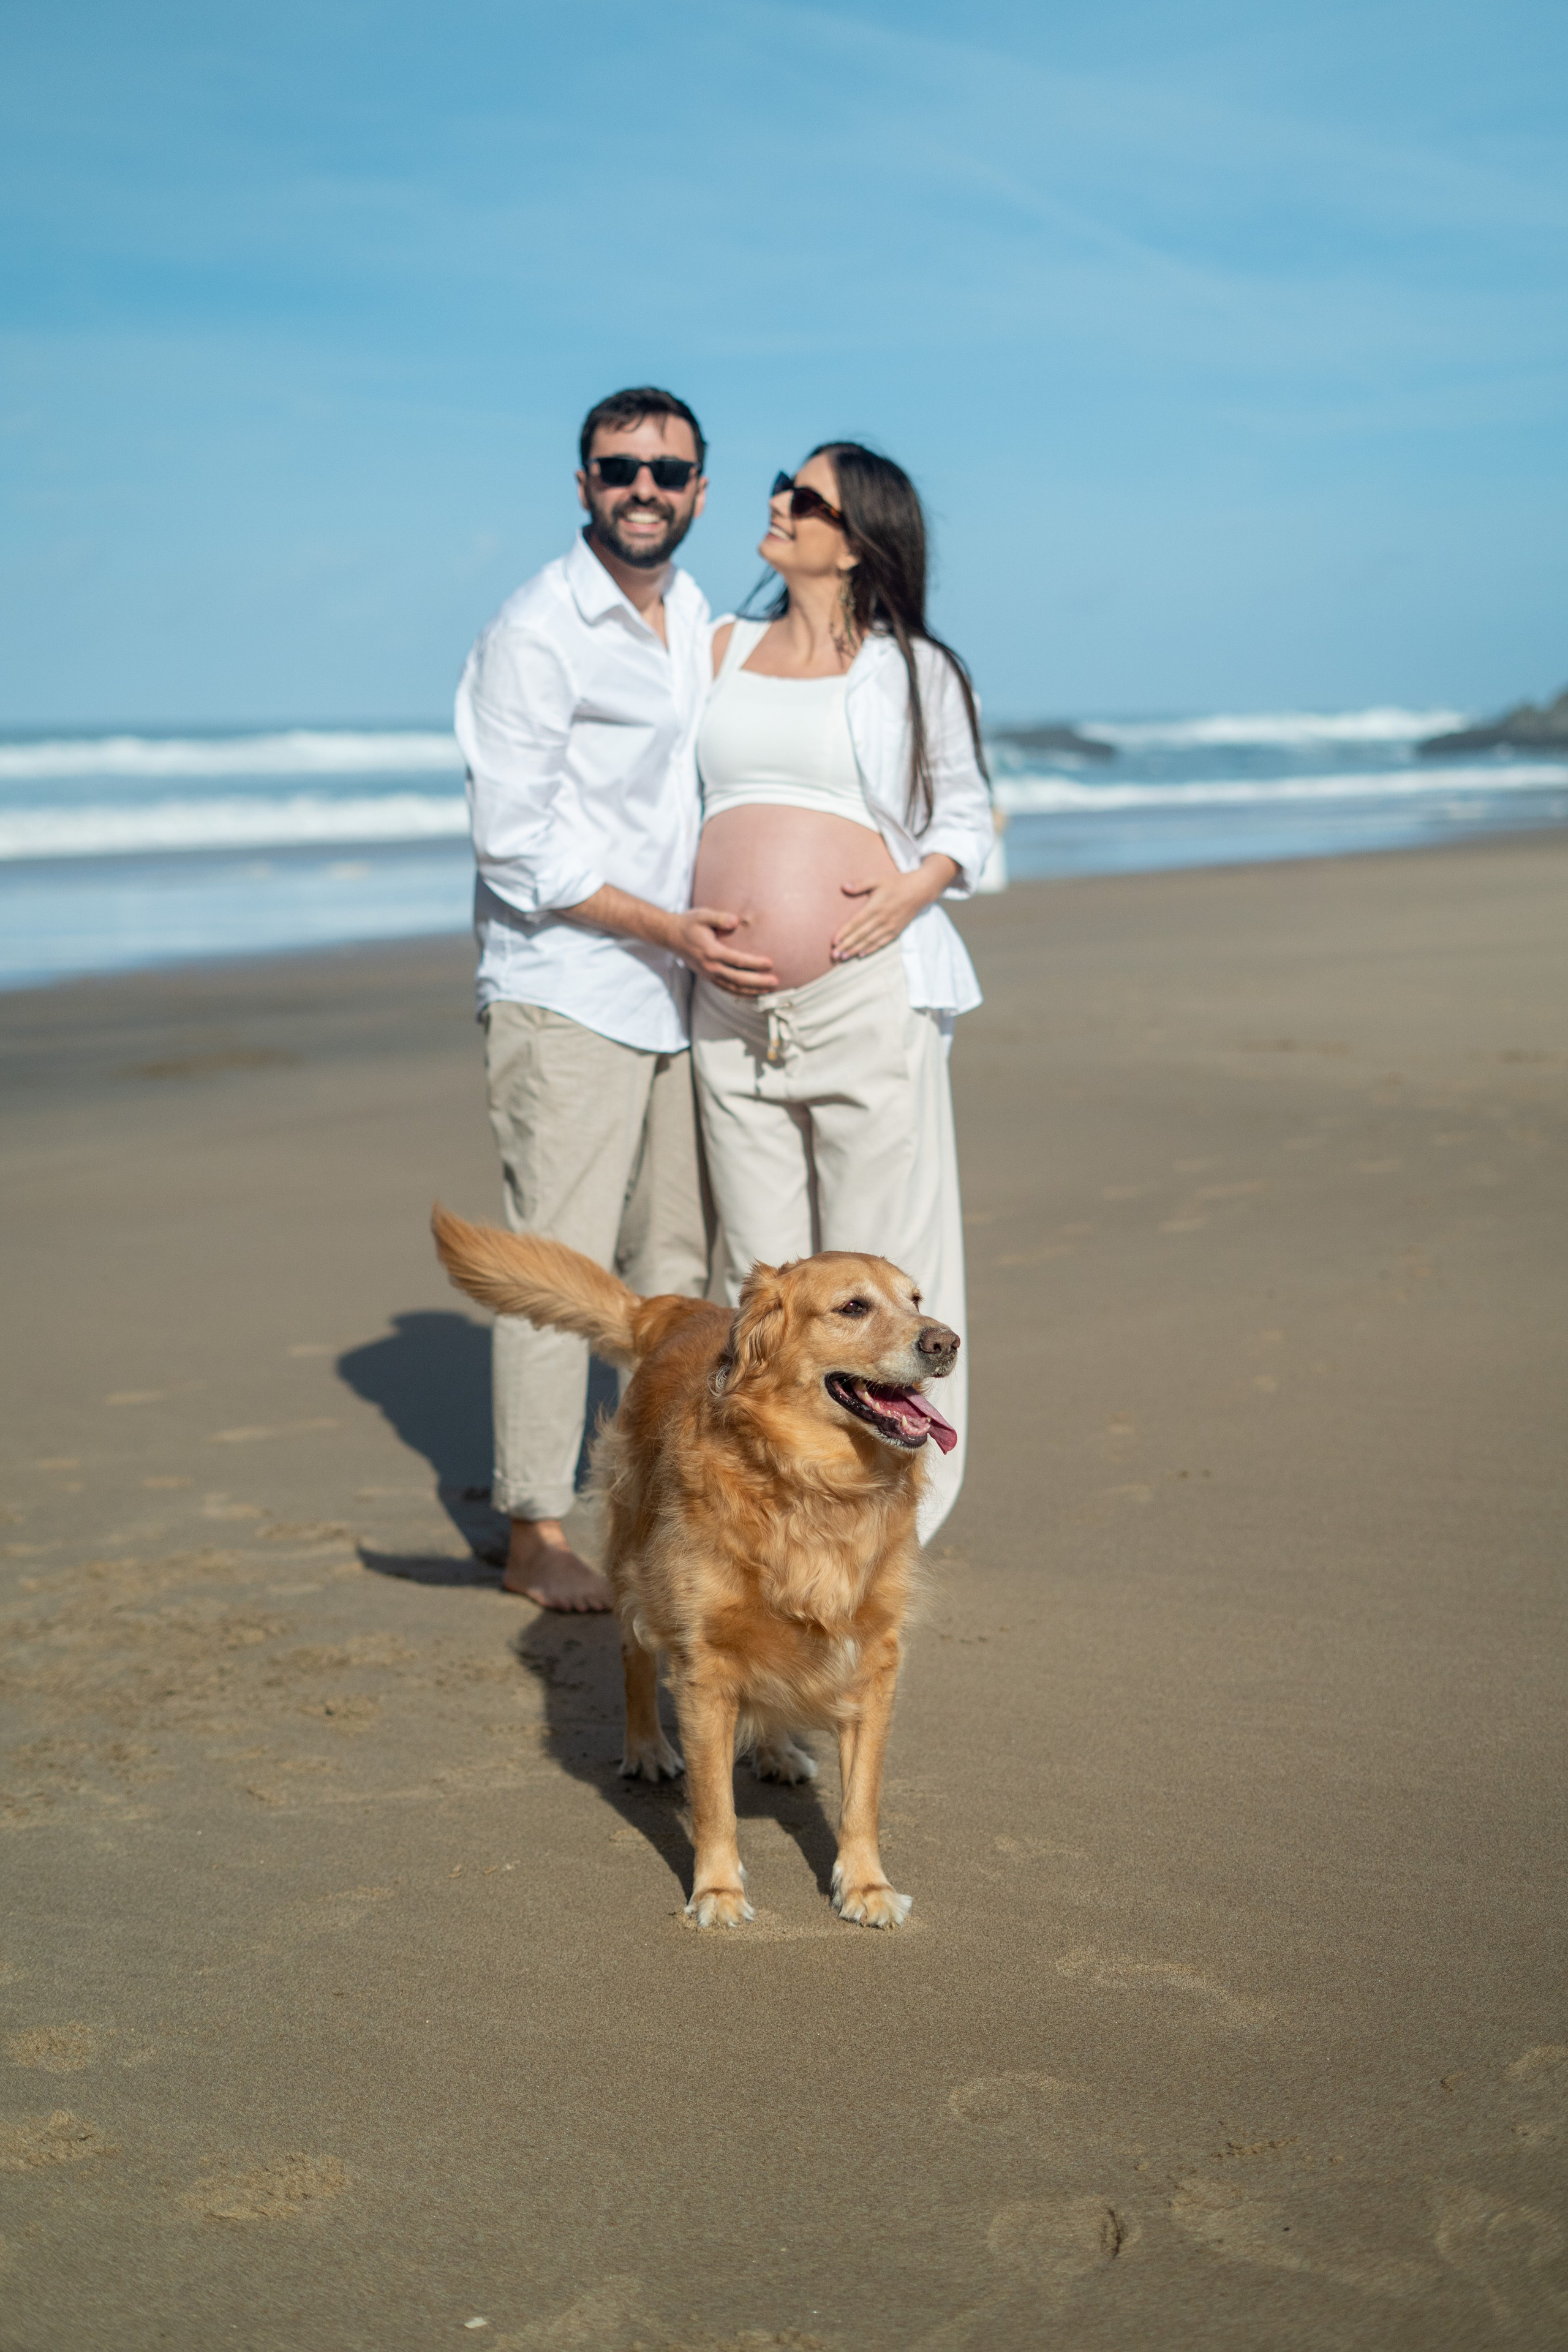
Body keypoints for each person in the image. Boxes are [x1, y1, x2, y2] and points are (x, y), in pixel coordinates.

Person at [456, 388, 778, 1610]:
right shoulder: (537, 631)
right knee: (562, 1267)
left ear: (699, 492)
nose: (642, 488)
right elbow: (515, 851)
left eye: (667, 471)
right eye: (618, 468)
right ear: (582, 482)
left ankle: (658, 1493)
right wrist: (663, 925)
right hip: (569, 988)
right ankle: (535, 1531)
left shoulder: (689, 613)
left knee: (674, 1262)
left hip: (675, 992)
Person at [690, 444, 993, 1536]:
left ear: (857, 537)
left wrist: (912, 889)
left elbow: (966, 819)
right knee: (761, 1282)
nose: (777, 505)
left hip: (864, 997)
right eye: (782, 484)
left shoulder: (915, 668)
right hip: (730, 1016)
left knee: (885, 1279)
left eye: (803, 498)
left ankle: (894, 1517)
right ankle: (771, 1506)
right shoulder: (718, 646)